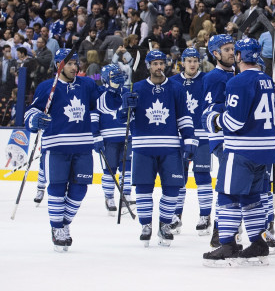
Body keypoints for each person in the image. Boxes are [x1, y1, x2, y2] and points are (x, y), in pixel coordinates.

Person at [25, 49, 120, 252]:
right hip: (56, 147)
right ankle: (57, 228)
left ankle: (63, 223)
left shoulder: (86, 84)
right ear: (58, 65)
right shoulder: (46, 87)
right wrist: (34, 120)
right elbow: (32, 112)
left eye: (76, 63)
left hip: (83, 147)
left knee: (80, 190)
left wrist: (113, 90)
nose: (74, 67)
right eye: (69, 64)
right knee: (57, 189)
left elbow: (104, 106)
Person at [201, 39, 275, 267]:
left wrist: (214, 120)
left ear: (239, 57)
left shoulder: (238, 81)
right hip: (265, 151)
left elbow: (234, 122)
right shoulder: (267, 80)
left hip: (242, 150)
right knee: (252, 197)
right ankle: (258, 244)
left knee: (228, 195)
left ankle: (227, 245)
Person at [121, 50, 197, 247]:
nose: (159, 67)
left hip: (170, 147)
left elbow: (184, 116)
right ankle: (146, 225)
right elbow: (124, 120)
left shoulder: (176, 88)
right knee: (144, 188)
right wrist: (125, 107)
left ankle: (164, 224)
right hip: (142, 147)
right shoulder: (135, 88)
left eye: (161, 63)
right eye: (154, 63)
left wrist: (189, 139)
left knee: (172, 188)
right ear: (148, 66)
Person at [168, 48, 213, 235]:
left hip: (202, 135)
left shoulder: (207, 80)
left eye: (195, 60)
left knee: (202, 175)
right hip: (180, 136)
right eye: (189, 60)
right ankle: (176, 216)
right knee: (179, 177)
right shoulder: (172, 82)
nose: (193, 64)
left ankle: (205, 216)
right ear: (182, 62)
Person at [203, 34, 237, 247]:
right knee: (228, 183)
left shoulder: (235, 73)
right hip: (222, 139)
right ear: (215, 54)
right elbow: (209, 112)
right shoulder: (214, 77)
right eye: (226, 50)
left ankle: (230, 227)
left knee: (237, 183)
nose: (232, 53)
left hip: (235, 137)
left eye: (233, 49)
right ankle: (219, 229)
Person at [97, 64, 131, 215]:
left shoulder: (127, 92)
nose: (118, 78)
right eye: (114, 76)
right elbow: (94, 116)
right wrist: (95, 136)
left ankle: (126, 196)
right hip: (108, 138)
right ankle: (109, 196)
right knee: (110, 168)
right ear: (106, 79)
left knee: (127, 167)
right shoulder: (100, 94)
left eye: (119, 75)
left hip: (126, 136)